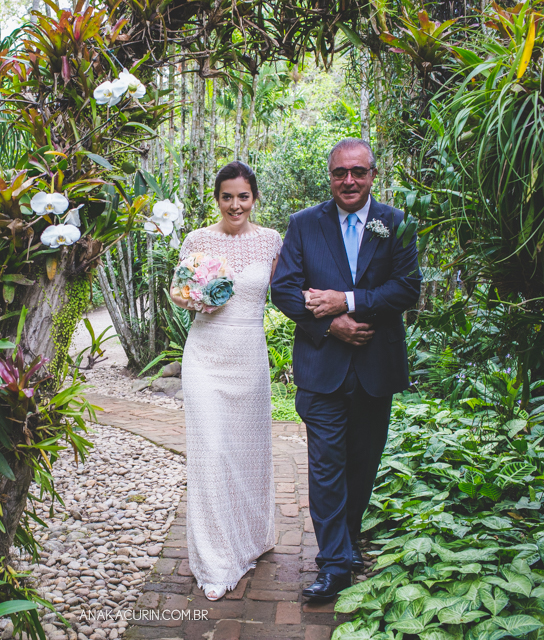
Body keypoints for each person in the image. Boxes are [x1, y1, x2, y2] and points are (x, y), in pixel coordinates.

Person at [271, 138, 421, 600]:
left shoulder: (394, 223)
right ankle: (334, 563)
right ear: (330, 177)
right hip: (322, 369)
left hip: (376, 367)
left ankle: (348, 538)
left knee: (363, 464)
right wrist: (331, 324)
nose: (349, 180)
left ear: (372, 174)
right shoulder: (303, 224)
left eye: (358, 172)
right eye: (340, 173)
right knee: (326, 465)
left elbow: (406, 288)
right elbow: (284, 290)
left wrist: (349, 302)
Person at [171, 161, 283, 602]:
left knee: (247, 454)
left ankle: (253, 537)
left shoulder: (272, 241)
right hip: (204, 357)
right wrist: (195, 297)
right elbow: (180, 295)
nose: (235, 204)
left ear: (254, 197)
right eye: (226, 196)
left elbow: (287, 291)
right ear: (216, 198)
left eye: (243, 196)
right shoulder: (197, 240)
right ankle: (217, 559)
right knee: (211, 452)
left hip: (249, 360)